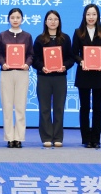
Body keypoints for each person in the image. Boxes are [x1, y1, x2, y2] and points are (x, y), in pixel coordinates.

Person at [71, 3, 101, 149]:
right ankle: (86, 138)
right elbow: (74, 53)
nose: (91, 17)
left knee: (97, 107)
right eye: (88, 14)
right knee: (84, 107)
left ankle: (96, 138)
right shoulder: (78, 32)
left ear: (98, 16)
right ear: (84, 16)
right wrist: (81, 61)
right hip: (84, 74)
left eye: (94, 14)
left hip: (99, 74)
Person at [32, 10, 74, 148]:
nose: (53, 22)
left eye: (55, 19)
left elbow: (71, 58)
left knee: (59, 108)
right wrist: (42, 67)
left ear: (59, 22)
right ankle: (46, 137)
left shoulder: (65, 39)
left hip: (60, 77)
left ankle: (58, 137)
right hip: (44, 77)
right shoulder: (40, 39)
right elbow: (34, 59)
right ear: (45, 22)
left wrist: (64, 66)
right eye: (50, 19)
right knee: (44, 108)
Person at [0, 7, 33, 148]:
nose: (15, 20)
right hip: (6, 73)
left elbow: (31, 54)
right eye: (12, 17)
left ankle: (18, 138)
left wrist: (27, 64)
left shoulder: (27, 36)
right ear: (8, 19)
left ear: (22, 19)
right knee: (7, 106)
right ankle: (9, 137)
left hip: (22, 73)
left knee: (20, 106)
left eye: (18, 17)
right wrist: (3, 63)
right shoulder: (2, 35)